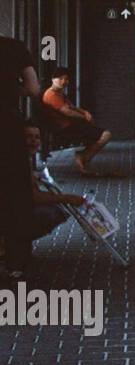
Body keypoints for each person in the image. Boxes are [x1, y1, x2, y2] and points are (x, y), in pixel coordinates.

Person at [1, 118, 86, 278]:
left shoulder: (22, 160)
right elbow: (32, 197)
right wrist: (66, 198)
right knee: (50, 213)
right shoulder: (16, 163)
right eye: (28, 137)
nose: (33, 142)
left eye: (36, 137)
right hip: (9, 213)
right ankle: (12, 246)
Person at [1, 35, 41, 278]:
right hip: (7, 126)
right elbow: (33, 89)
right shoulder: (14, 47)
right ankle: (16, 262)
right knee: (14, 190)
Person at [42, 66, 112, 175]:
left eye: (66, 79)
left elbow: (72, 107)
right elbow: (67, 111)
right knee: (106, 135)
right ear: (52, 79)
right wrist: (84, 117)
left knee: (98, 133)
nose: (63, 81)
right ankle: (83, 157)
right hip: (64, 129)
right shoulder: (51, 95)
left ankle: (83, 158)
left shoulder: (60, 93)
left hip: (70, 126)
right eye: (60, 78)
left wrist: (85, 112)